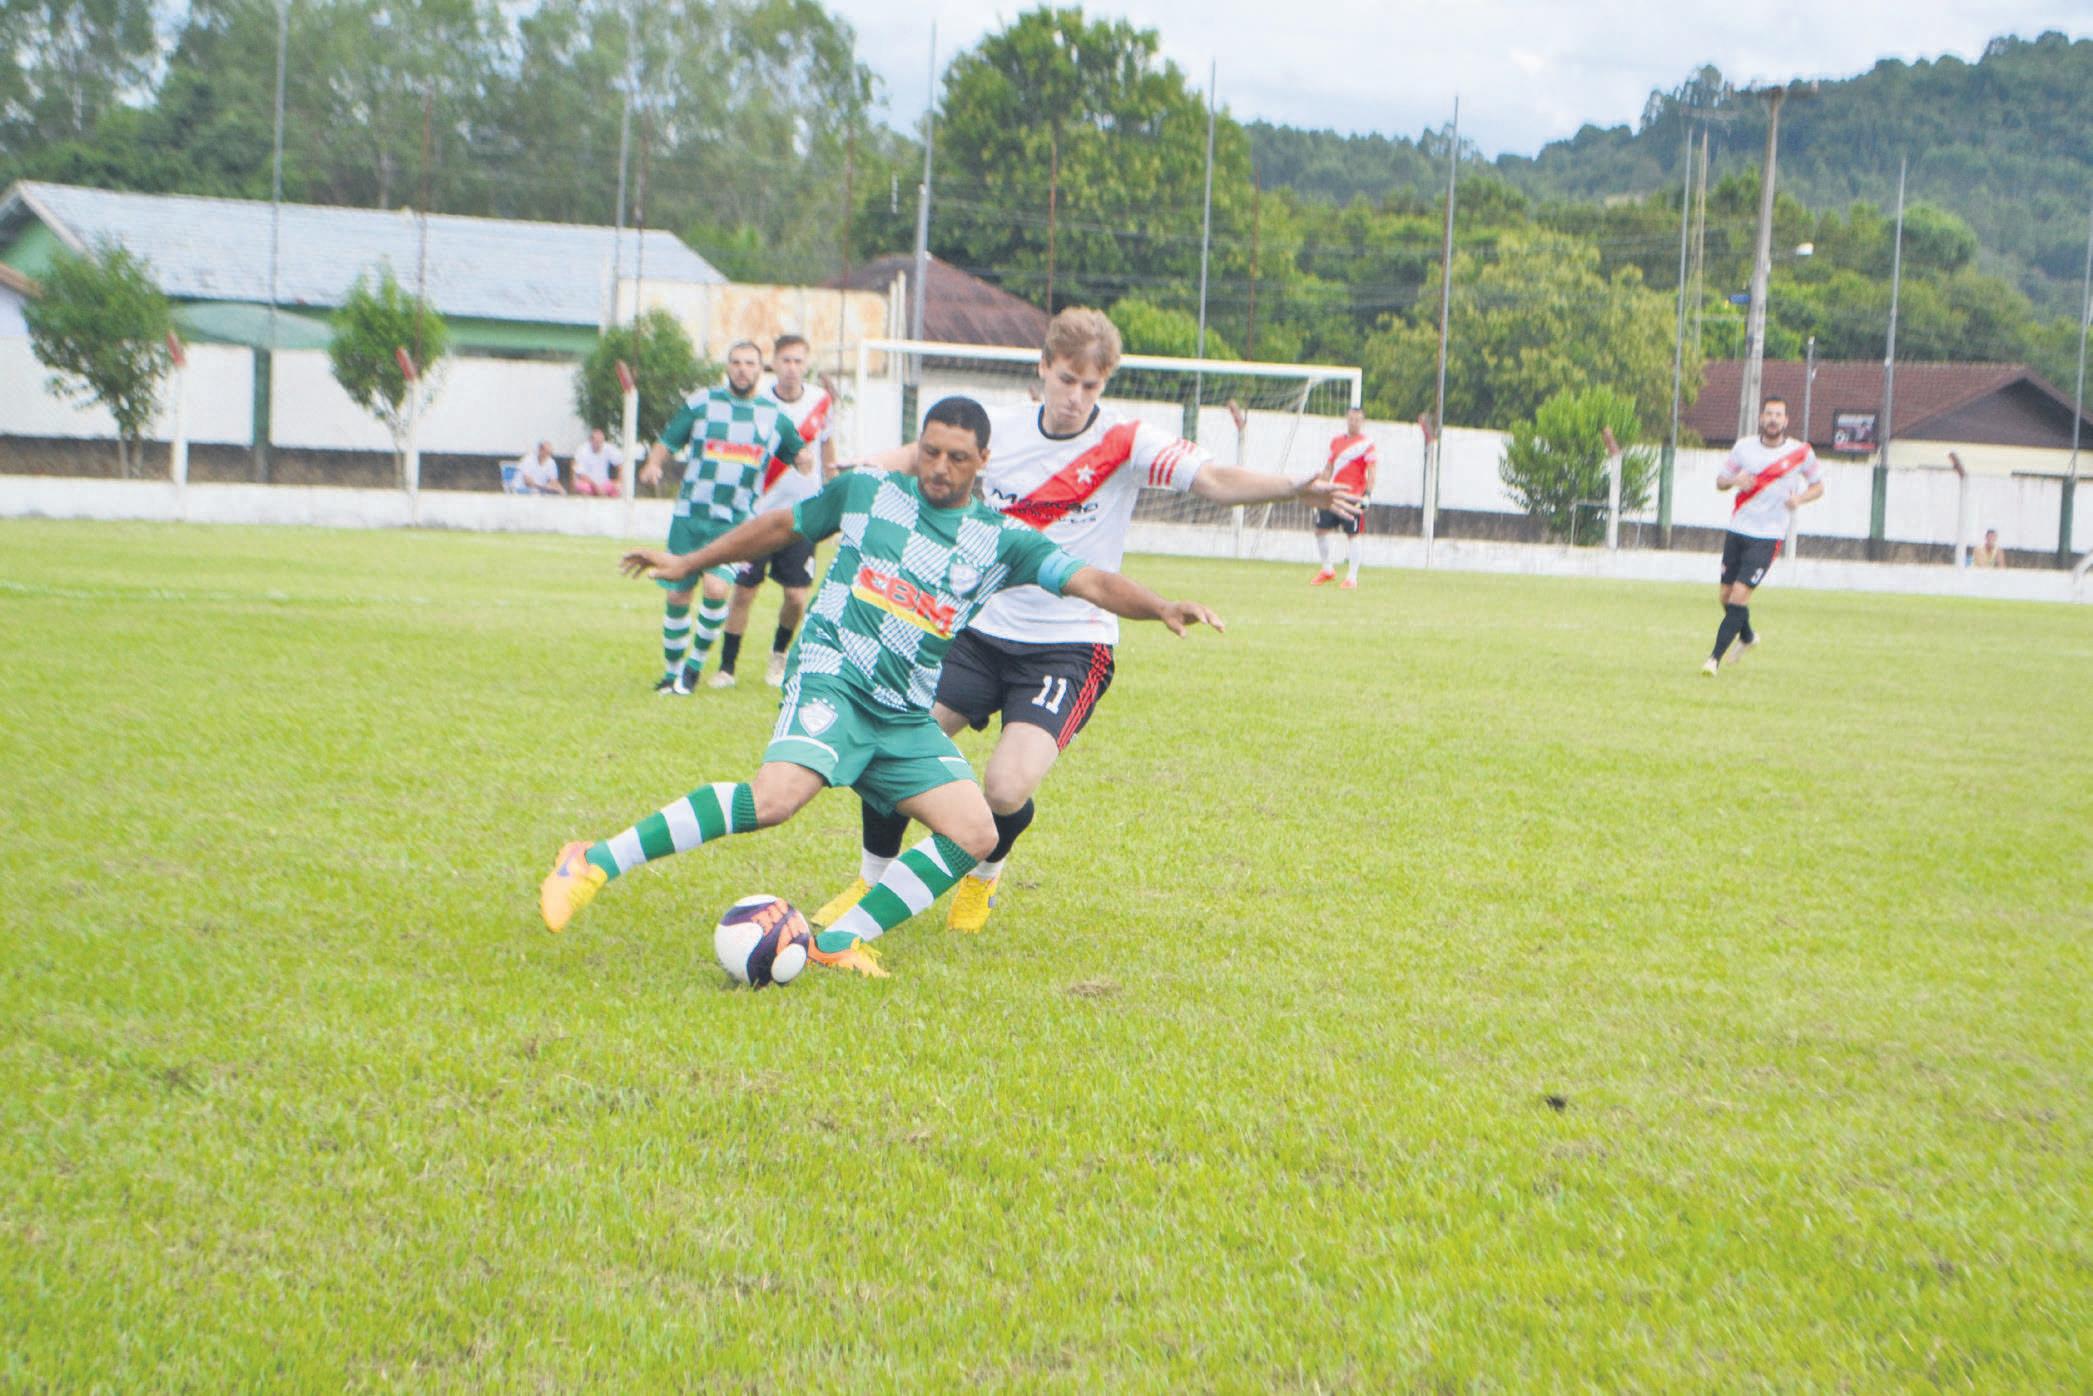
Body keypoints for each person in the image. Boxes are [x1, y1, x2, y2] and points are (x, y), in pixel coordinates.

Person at [538, 396, 1223, 978]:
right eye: (930, 451)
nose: (939, 467)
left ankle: (839, 939)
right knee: (774, 800)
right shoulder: (867, 493)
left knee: (976, 832)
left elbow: (1092, 581)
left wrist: (1160, 605)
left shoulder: (1000, 541)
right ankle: (591, 862)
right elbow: (780, 526)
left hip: (901, 714)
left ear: (983, 462)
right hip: (832, 678)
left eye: (957, 457)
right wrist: (690, 560)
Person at [810, 306, 1361, 935]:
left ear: (1105, 383)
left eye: (1090, 385)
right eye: (1066, 379)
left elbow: (1212, 478)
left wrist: (1290, 487)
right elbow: (915, 456)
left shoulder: (1127, 443)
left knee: (1005, 790)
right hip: (978, 630)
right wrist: (857, 472)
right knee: (892, 745)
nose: (1075, 397)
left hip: (1069, 646)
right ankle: (869, 880)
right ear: (1043, 368)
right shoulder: (1001, 432)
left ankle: (984, 874)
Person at [637, 341, 806, 695]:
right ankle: (671, 673)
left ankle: (693, 670)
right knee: (678, 596)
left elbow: (799, 453)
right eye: (736, 362)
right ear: (727, 367)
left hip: (735, 520)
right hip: (690, 515)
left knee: (717, 588)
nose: (742, 369)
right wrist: (653, 464)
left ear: (760, 370)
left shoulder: (773, 415)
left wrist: (808, 462)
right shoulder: (702, 403)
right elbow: (668, 440)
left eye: (750, 363)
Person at [709, 333, 837, 690]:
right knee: (744, 591)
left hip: (802, 515)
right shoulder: (760, 403)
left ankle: (779, 656)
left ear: (806, 364)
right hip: (759, 514)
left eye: (798, 361)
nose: (792, 368)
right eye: (786, 361)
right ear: (774, 365)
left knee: (796, 596)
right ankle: (727, 667)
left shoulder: (820, 401)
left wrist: (832, 494)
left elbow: (828, 450)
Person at [1705, 396, 1823, 676]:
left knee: (1739, 595)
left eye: (1778, 415)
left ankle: (1713, 659)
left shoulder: (1800, 452)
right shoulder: (1744, 448)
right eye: (1769, 414)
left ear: (1786, 421)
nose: (1773, 419)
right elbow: (1720, 481)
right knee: (1725, 596)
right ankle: (1747, 636)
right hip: (1738, 529)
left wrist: (1800, 499)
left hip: (1768, 535)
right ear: (1761, 418)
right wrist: (1735, 480)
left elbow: (1818, 486)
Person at [1311, 406, 1376, 588]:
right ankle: (1327, 570)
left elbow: (1372, 471)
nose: (1353, 422)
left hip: (1353, 496)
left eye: (1357, 420)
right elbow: (1329, 467)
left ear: (1362, 422)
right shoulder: (1336, 442)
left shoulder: (1367, 444)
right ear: (1347, 420)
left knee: (1353, 534)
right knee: (1320, 530)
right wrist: (1320, 488)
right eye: (1351, 419)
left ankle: (1352, 578)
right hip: (1333, 494)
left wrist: (1367, 495)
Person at [571, 428, 623, 497]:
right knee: (582, 487)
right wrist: (596, 486)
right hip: (588, 483)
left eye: (601, 442)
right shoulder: (582, 450)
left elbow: (620, 464)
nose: (599, 444)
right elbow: (580, 474)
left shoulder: (608, 448)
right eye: (596, 442)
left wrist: (619, 481)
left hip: (604, 483)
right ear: (590, 440)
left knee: (617, 488)